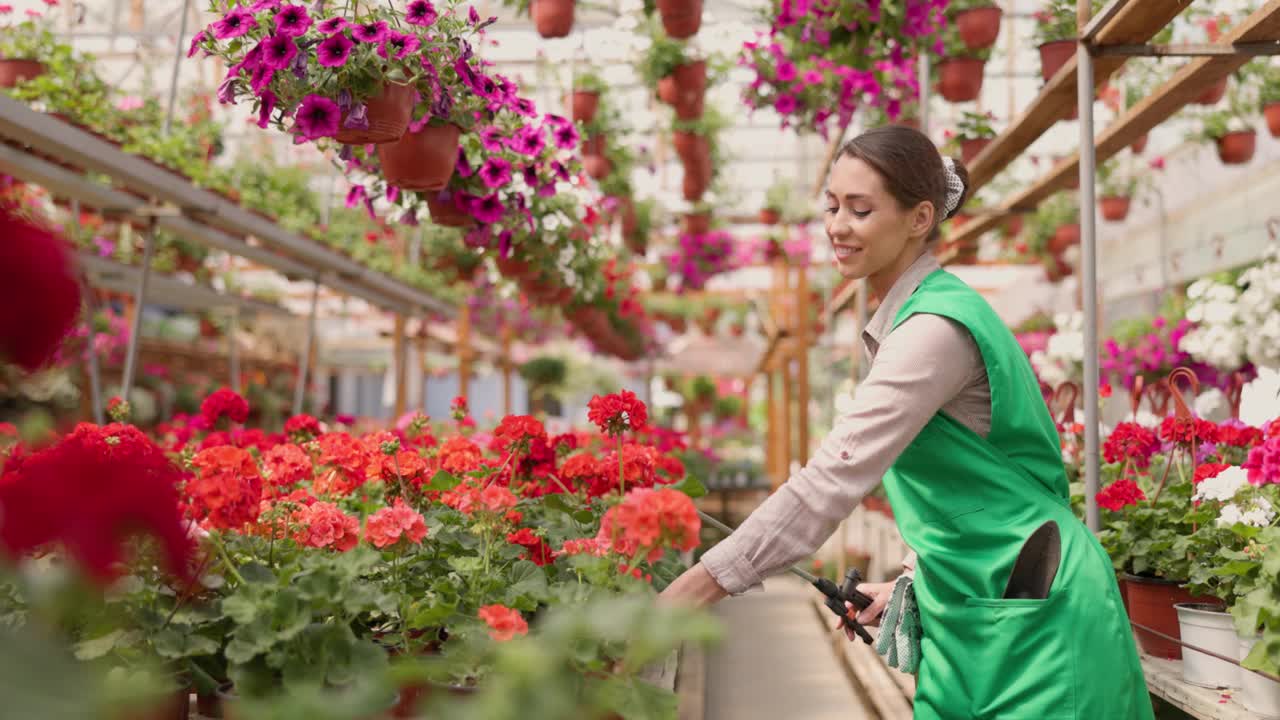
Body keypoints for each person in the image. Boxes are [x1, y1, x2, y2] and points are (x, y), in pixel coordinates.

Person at [659, 126, 1152, 719]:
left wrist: (689, 592)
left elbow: (831, 479)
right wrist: (908, 584)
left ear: (920, 218)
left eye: (861, 210)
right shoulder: (914, 321)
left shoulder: (932, 332)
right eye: (833, 206)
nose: (838, 226)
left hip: (1037, 621)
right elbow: (969, 493)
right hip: (982, 611)